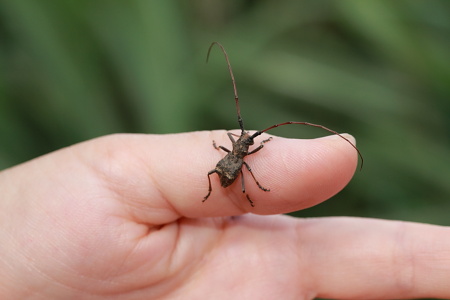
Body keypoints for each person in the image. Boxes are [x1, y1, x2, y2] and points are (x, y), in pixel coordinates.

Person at [0, 131, 448, 299]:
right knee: (238, 177)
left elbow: (237, 159)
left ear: (242, 145)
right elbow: (234, 162)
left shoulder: (238, 152)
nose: (242, 145)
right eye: (243, 143)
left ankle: (245, 193)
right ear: (238, 145)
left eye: (245, 143)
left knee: (239, 176)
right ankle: (244, 194)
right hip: (226, 177)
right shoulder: (235, 154)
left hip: (226, 177)